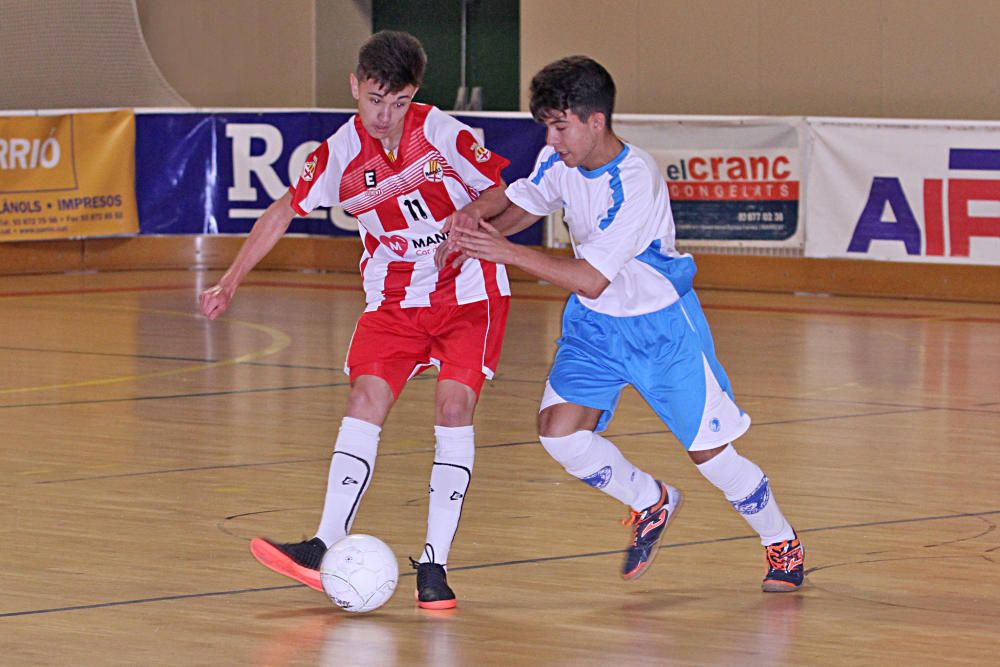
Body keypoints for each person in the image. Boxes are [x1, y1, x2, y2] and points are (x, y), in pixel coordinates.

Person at [445, 55, 804, 591]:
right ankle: (649, 501)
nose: (552, 139)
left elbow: (590, 278)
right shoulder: (559, 160)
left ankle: (781, 542)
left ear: (596, 121)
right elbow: (523, 200)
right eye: (547, 127)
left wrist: (501, 251)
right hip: (595, 329)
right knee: (560, 434)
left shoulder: (635, 178)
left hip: (660, 330)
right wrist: (472, 218)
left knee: (710, 455)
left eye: (560, 126)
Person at [199, 30, 513, 609]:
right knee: (364, 400)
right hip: (393, 299)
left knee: (453, 410)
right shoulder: (339, 152)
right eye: (375, 100)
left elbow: (499, 191)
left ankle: (435, 566)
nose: (385, 116)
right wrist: (231, 278)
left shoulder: (441, 131)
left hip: (468, 294)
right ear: (354, 86)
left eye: (399, 102)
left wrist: (470, 213)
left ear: (414, 94)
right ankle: (323, 543)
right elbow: (283, 211)